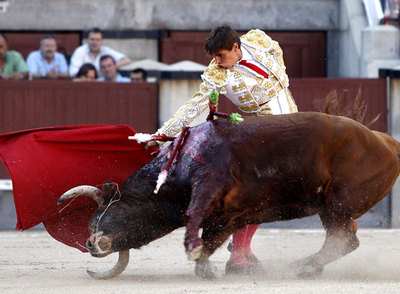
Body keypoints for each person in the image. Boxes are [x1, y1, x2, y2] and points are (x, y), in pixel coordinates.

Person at [149, 25, 298, 275]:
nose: (217, 61)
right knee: (260, 191)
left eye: (221, 55)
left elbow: (276, 48)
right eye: (214, 57)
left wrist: (281, 78)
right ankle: (239, 253)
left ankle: (243, 249)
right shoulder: (217, 73)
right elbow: (194, 104)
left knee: (274, 192)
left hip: (292, 118)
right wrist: (164, 133)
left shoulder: (258, 39)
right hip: (262, 131)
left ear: (236, 47)